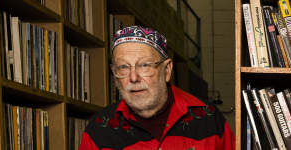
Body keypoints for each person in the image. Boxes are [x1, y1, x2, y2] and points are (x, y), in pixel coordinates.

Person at [79, 26, 235, 150]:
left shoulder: (209, 119)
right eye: (123, 67)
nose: (133, 78)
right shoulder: (99, 129)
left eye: (144, 65)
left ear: (166, 71)